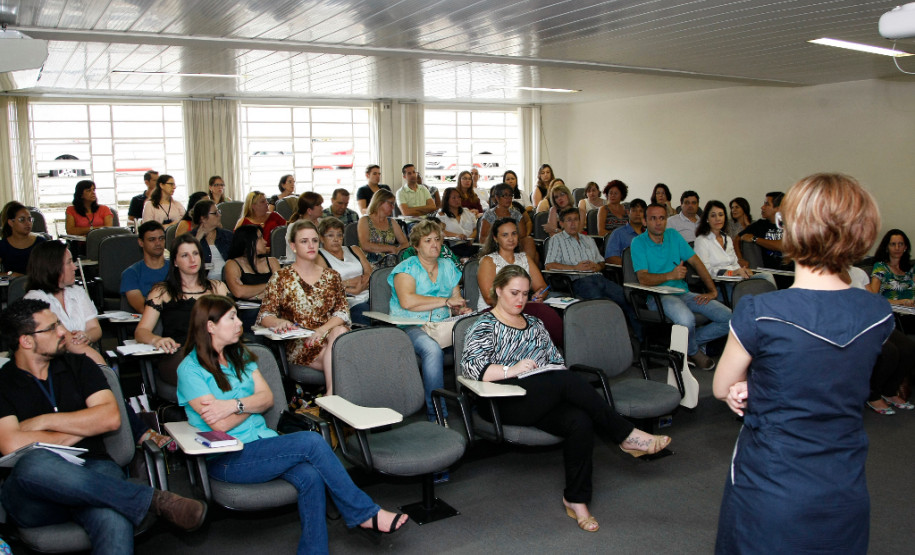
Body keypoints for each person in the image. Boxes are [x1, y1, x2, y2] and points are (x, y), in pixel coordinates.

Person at [713, 173, 894, 554]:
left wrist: (755, 384)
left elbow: (720, 386)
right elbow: (831, 371)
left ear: (789, 230)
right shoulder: (879, 312)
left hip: (771, 487)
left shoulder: (761, 311)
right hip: (844, 487)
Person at [177, 295, 406, 554]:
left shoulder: (239, 354)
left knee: (309, 475)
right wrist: (250, 404)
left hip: (262, 441)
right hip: (227, 457)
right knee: (311, 442)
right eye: (231, 317)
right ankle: (363, 512)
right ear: (210, 326)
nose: (239, 322)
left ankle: (314, 550)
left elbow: (267, 399)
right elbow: (217, 424)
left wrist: (234, 405)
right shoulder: (190, 369)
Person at [461, 265, 671, 533]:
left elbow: (555, 362)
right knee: (567, 379)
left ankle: (577, 499)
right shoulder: (484, 324)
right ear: (498, 290)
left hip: (539, 396)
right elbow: (470, 369)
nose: (520, 300)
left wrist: (543, 374)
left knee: (579, 420)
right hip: (502, 402)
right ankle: (624, 434)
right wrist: (511, 370)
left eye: (525, 294)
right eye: (514, 292)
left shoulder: (535, 324)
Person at [0, 299, 208, 553]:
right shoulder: (4, 383)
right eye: (52, 328)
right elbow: (11, 444)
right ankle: (152, 500)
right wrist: (86, 424)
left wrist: (43, 423)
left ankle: (124, 498)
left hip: (95, 469)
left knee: (111, 515)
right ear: (26, 341)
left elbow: (109, 419)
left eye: (60, 324)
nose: (63, 331)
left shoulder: (80, 365)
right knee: (34, 462)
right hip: (36, 496)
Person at [631, 203, 732, 369]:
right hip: (658, 296)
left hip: (683, 292)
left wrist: (712, 290)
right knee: (686, 319)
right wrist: (670, 275)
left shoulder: (673, 235)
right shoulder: (638, 243)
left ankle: (683, 347)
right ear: (645, 221)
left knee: (729, 317)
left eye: (662, 218)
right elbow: (643, 279)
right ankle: (694, 352)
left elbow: (696, 262)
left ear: (666, 220)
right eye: (653, 218)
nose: (658, 222)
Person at [257, 220, 350, 395]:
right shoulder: (281, 278)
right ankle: (335, 403)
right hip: (300, 343)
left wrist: (322, 330)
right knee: (346, 359)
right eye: (304, 241)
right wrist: (279, 322)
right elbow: (265, 315)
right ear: (293, 246)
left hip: (329, 336)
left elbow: (342, 311)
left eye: (314, 241)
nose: (311, 245)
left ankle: (331, 398)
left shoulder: (332, 276)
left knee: (340, 331)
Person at [389, 220, 470, 418]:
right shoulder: (405, 269)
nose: (434, 244)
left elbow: (456, 301)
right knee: (432, 350)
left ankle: (475, 404)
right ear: (416, 245)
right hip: (411, 324)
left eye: (437, 239)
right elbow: (408, 302)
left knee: (476, 336)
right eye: (427, 240)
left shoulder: (448, 265)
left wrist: (461, 310)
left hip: (442, 325)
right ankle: (438, 414)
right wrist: (445, 301)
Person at [135, 234, 229, 386]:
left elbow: (233, 325)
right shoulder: (161, 291)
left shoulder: (217, 287)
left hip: (216, 351)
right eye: (185, 255)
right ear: (175, 262)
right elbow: (141, 331)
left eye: (195, 254)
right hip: (179, 354)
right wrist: (157, 339)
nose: (192, 260)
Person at [544, 207, 638, 332]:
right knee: (600, 303)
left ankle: (639, 339)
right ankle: (606, 336)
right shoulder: (556, 240)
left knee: (628, 298)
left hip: (599, 277)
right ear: (561, 223)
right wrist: (575, 268)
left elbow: (602, 262)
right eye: (569, 220)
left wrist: (598, 266)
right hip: (578, 281)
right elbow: (549, 265)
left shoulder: (588, 239)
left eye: (576, 220)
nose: (573, 223)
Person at [23, 240, 105, 366]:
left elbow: (95, 328)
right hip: (56, 364)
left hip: (84, 358)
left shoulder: (77, 291)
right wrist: (103, 369)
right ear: (53, 267)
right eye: (69, 262)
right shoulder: (34, 300)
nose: (75, 267)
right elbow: (65, 341)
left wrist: (86, 336)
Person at [693, 200, 775, 301]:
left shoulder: (727, 238)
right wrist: (732, 273)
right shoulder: (702, 240)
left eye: (721, 215)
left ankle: (774, 308)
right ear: (707, 219)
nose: (718, 219)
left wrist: (743, 271)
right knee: (754, 293)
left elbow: (735, 264)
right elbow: (706, 271)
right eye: (713, 215)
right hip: (721, 285)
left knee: (767, 276)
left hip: (737, 280)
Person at [477, 218, 549, 310]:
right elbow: (489, 298)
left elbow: (542, 286)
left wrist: (539, 295)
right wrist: (519, 301)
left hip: (522, 307)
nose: (511, 239)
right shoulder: (488, 261)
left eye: (514, 234)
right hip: (494, 311)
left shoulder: (524, 258)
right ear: (495, 239)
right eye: (505, 235)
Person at [316, 217, 372, 326]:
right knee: (368, 314)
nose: (336, 239)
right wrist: (348, 285)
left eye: (339, 235)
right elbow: (327, 286)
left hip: (370, 294)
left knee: (391, 309)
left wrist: (359, 286)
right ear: (321, 238)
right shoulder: (319, 256)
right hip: (346, 302)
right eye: (330, 235)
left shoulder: (354, 249)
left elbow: (370, 274)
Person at [479, 183, 539, 266]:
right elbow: (482, 238)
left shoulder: (516, 214)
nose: (508, 198)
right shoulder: (489, 215)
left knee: (529, 241)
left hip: (514, 245)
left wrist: (511, 242)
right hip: (495, 246)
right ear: (497, 197)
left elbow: (522, 236)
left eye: (510, 195)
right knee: (535, 256)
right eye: (505, 196)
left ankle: (526, 271)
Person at [121, 221, 169, 313]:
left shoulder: (177, 268)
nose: (158, 243)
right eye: (152, 239)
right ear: (141, 242)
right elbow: (143, 308)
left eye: (161, 238)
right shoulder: (130, 274)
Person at [224, 225, 280, 302]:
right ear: (248, 241)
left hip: (271, 306)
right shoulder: (232, 264)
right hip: (247, 310)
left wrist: (253, 294)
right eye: (260, 238)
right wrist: (270, 285)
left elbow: (280, 287)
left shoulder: (272, 262)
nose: (265, 242)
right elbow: (239, 292)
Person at [357, 189, 409, 267]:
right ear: (380, 202)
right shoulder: (364, 220)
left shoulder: (392, 222)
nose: (393, 207)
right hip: (370, 264)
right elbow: (365, 245)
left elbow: (405, 243)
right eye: (390, 203)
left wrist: (397, 250)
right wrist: (390, 248)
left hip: (391, 263)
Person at [868, 229, 915, 307]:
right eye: (893, 244)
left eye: (900, 244)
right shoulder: (880, 267)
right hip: (893, 312)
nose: (897, 248)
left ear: (905, 247)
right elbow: (873, 297)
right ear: (887, 247)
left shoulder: (911, 269)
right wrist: (900, 302)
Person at [739, 192, 786, 268]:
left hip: (788, 273)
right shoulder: (760, 224)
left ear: (778, 208)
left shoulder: (790, 226)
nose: (762, 207)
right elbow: (737, 239)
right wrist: (740, 259)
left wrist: (754, 239)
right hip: (765, 273)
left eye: (767, 204)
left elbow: (782, 245)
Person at [190, 199, 233, 281]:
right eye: (215, 213)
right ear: (203, 218)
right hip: (202, 282)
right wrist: (197, 240)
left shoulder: (227, 235)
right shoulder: (189, 238)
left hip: (229, 280)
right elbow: (186, 261)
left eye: (219, 212)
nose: (219, 215)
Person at [0, 201, 46, 276]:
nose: (28, 223)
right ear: (11, 223)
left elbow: (52, 268)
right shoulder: (3, 245)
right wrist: (9, 274)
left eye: (29, 219)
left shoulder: (41, 242)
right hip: (14, 286)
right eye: (22, 220)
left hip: (38, 285)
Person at [604, 198, 646, 265]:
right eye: (634, 210)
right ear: (628, 212)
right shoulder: (618, 233)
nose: (637, 214)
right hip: (629, 272)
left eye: (641, 211)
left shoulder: (649, 234)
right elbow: (610, 258)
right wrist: (632, 266)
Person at [438, 187, 478, 256]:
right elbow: (441, 231)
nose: (457, 200)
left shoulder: (466, 211)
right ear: (447, 200)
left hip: (471, 243)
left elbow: (476, 229)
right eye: (454, 198)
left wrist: (470, 238)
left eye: (459, 197)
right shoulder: (442, 214)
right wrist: (457, 236)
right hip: (453, 245)